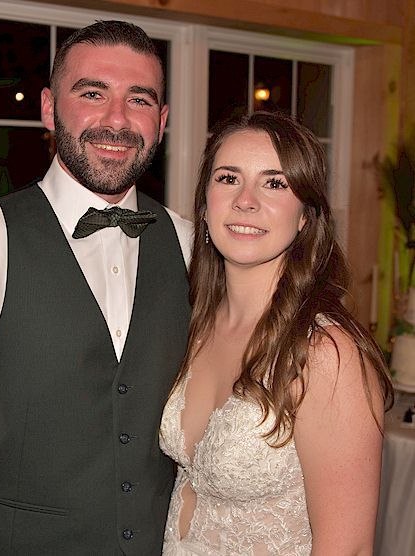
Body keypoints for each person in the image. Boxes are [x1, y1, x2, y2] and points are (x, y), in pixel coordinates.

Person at [0, 20, 192, 555]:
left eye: (139, 99)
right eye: (93, 93)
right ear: (50, 108)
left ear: (162, 121)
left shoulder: (194, 247)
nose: (117, 120)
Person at [159, 111, 394, 555]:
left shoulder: (325, 353)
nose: (246, 201)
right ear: (205, 203)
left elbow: (349, 547)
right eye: (228, 178)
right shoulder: (197, 324)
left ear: (306, 216)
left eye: (275, 183)